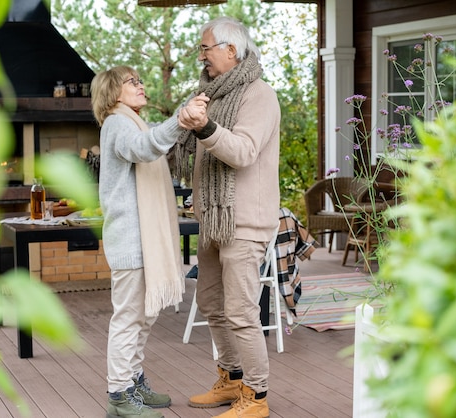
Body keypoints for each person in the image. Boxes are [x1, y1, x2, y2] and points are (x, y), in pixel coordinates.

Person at [175, 16, 281, 418]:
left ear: (231, 51)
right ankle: (232, 378)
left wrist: (204, 128)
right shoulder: (211, 94)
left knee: (240, 311)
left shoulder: (260, 95)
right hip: (212, 221)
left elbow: (242, 152)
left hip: (245, 223)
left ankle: (256, 396)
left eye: (206, 48)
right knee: (211, 302)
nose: (200, 56)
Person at [90, 65, 208, 418]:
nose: (141, 86)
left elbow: (155, 136)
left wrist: (184, 116)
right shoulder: (117, 124)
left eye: (141, 81)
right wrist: (180, 119)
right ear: (113, 93)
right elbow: (144, 148)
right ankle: (119, 395)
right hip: (130, 241)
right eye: (133, 82)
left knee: (143, 318)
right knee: (129, 318)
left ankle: (133, 380)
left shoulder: (132, 121)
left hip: (140, 241)